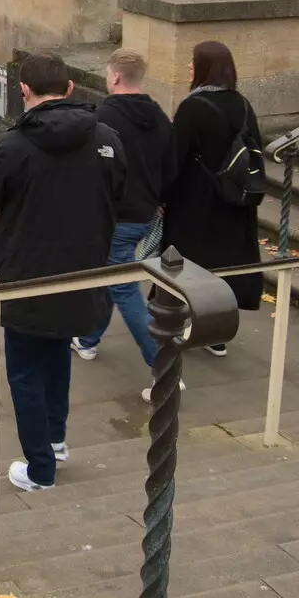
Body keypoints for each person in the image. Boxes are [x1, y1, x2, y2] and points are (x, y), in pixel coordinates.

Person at [0, 51, 126, 491]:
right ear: (70, 88)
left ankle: (39, 469)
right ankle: (54, 440)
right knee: (56, 356)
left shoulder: (11, 146)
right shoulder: (106, 138)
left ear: (23, 91)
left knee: (25, 372)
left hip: (26, 275)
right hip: (83, 273)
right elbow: (122, 192)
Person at [72, 49, 178, 378]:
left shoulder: (102, 118)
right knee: (110, 275)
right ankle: (87, 338)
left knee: (122, 286)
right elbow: (171, 167)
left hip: (114, 214)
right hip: (144, 213)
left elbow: (89, 170)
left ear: (115, 76)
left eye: (108, 72)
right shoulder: (160, 117)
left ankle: (163, 362)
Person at [162, 40, 263, 371]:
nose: (189, 68)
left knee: (187, 263)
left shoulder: (193, 107)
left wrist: (160, 196)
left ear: (205, 68)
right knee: (224, 265)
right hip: (234, 201)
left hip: (196, 201)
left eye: (194, 63)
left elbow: (174, 159)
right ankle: (216, 334)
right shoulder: (243, 104)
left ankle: (181, 322)